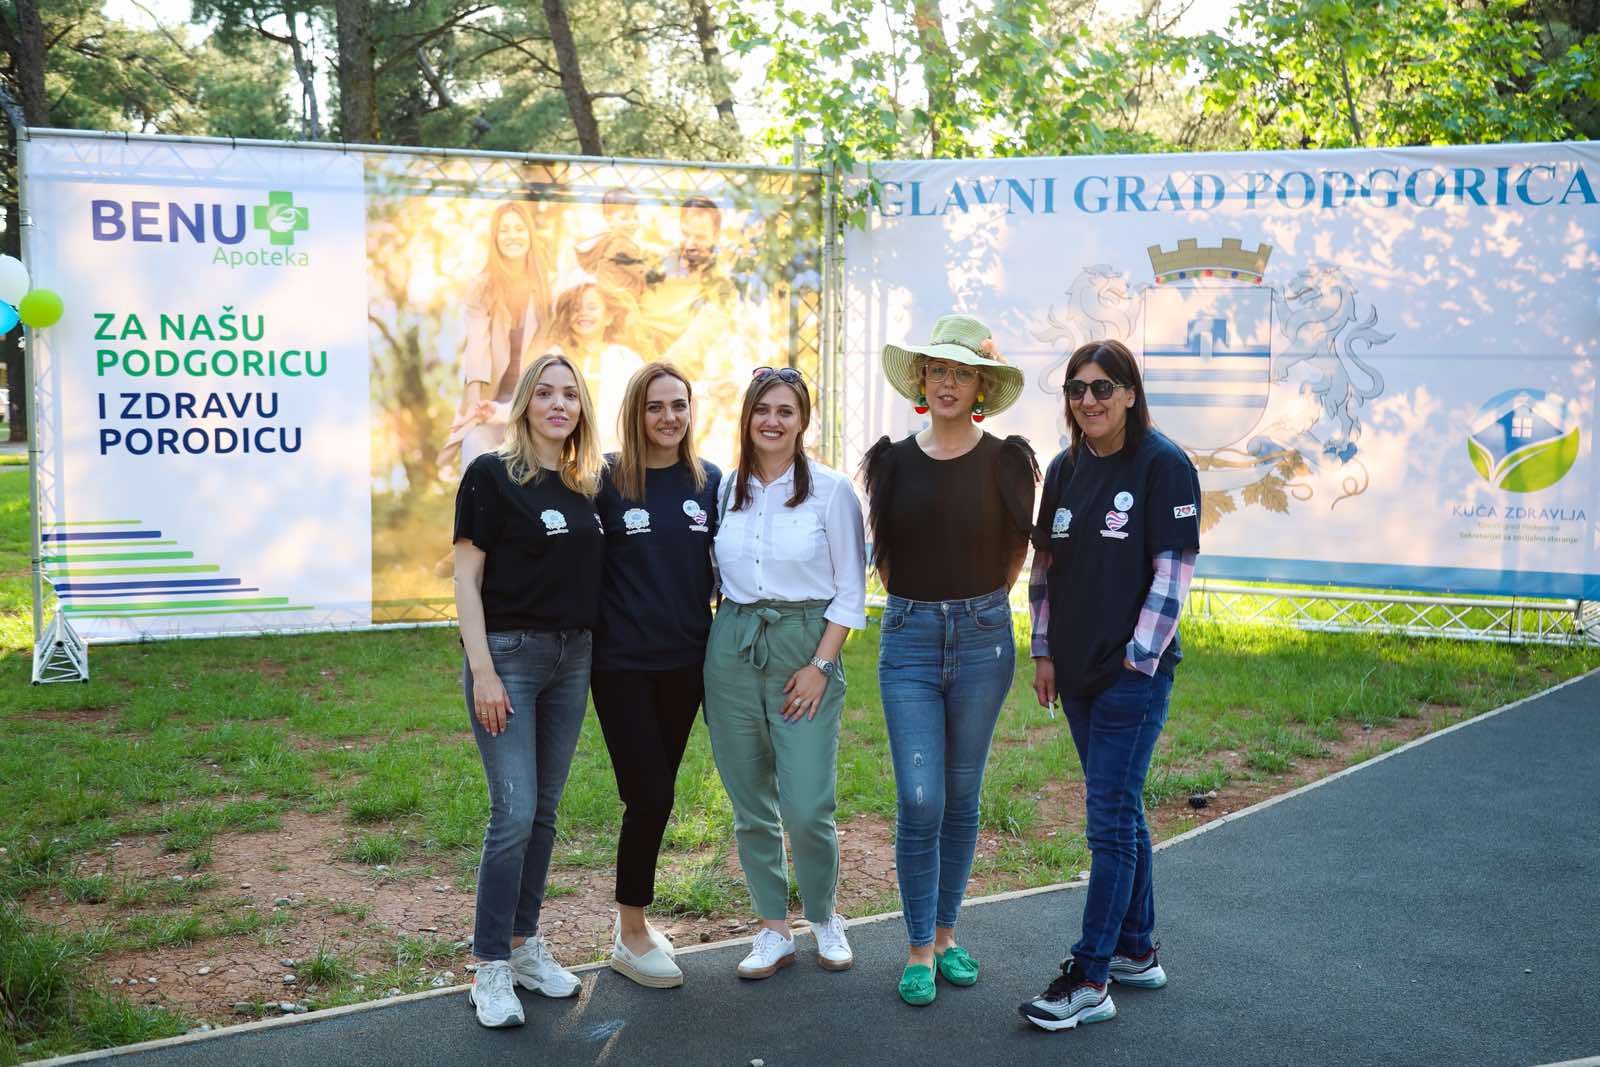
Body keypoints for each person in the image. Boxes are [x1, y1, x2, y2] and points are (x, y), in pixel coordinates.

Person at [1017, 338, 1201, 1033]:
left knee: (1109, 821)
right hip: (1075, 672)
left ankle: (1091, 976)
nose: (1088, 400)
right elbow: (1045, 569)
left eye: (1102, 387)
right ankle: (1136, 949)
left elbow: (1172, 573)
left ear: (1129, 393)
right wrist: (1044, 652)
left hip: (1131, 675)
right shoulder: (1065, 468)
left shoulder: (1164, 464)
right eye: (1076, 389)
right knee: (1120, 808)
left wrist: (1138, 657)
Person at [862, 314, 1038, 1006]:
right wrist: (924, 608)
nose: (948, 383)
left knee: (962, 796)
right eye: (938, 370)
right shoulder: (890, 461)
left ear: (981, 387)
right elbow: (884, 551)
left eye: (963, 373)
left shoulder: (1006, 461)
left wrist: (976, 609)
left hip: (982, 637)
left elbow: (1016, 550)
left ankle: (944, 936)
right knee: (920, 797)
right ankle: (914, 947)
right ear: (922, 379)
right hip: (908, 638)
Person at [451, 352, 605, 1028]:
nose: (558, 404)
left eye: (569, 394)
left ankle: (522, 945)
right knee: (512, 813)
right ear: (525, 404)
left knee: (543, 812)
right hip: (507, 658)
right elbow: (465, 578)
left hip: (573, 659)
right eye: (544, 392)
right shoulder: (490, 475)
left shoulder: (585, 485)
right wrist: (482, 668)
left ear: (581, 408)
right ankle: (488, 965)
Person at [702, 366, 866, 980]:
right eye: (762, 409)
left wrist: (821, 665)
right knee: (750, 804)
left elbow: (851, 590)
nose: (771, 421)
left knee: (806, 805)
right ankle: (773, 928)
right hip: (734, 644)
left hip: (806, 644)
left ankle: (824, 916)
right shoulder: (726, 488)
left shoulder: (831, 490)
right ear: (747, 417)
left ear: (802, 422)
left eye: (785, 411)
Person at [591, 362, 722, 988]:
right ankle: (631, 931)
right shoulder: (604, 481)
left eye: (679, 405)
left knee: (656, 792)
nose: (669, 417)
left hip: (687, 665)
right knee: (649, 794)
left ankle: (631, 924)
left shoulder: (710, 481)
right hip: (621, 666)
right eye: (655, 406)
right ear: (634, 413)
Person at [441, 202, 554, 472]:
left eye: (519, 228)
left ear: (530, 234)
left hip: (534, 402)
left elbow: (554, 347)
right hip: (492, 401)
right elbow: (477, 350)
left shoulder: (549, 284)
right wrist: (475, 405)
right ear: (494, 237)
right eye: (504, 230)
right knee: (475, 448)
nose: (512, 236)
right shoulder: (481, 287)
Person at [544, 278, 645, 451]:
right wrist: (499, 411)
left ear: (608, 317)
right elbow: (531, 400)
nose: (583, 313)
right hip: (563, 452)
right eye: (576, 308)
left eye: (592, 307)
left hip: (610, 453)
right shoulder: (554, 357)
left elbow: (649, 399)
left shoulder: (624, 359)